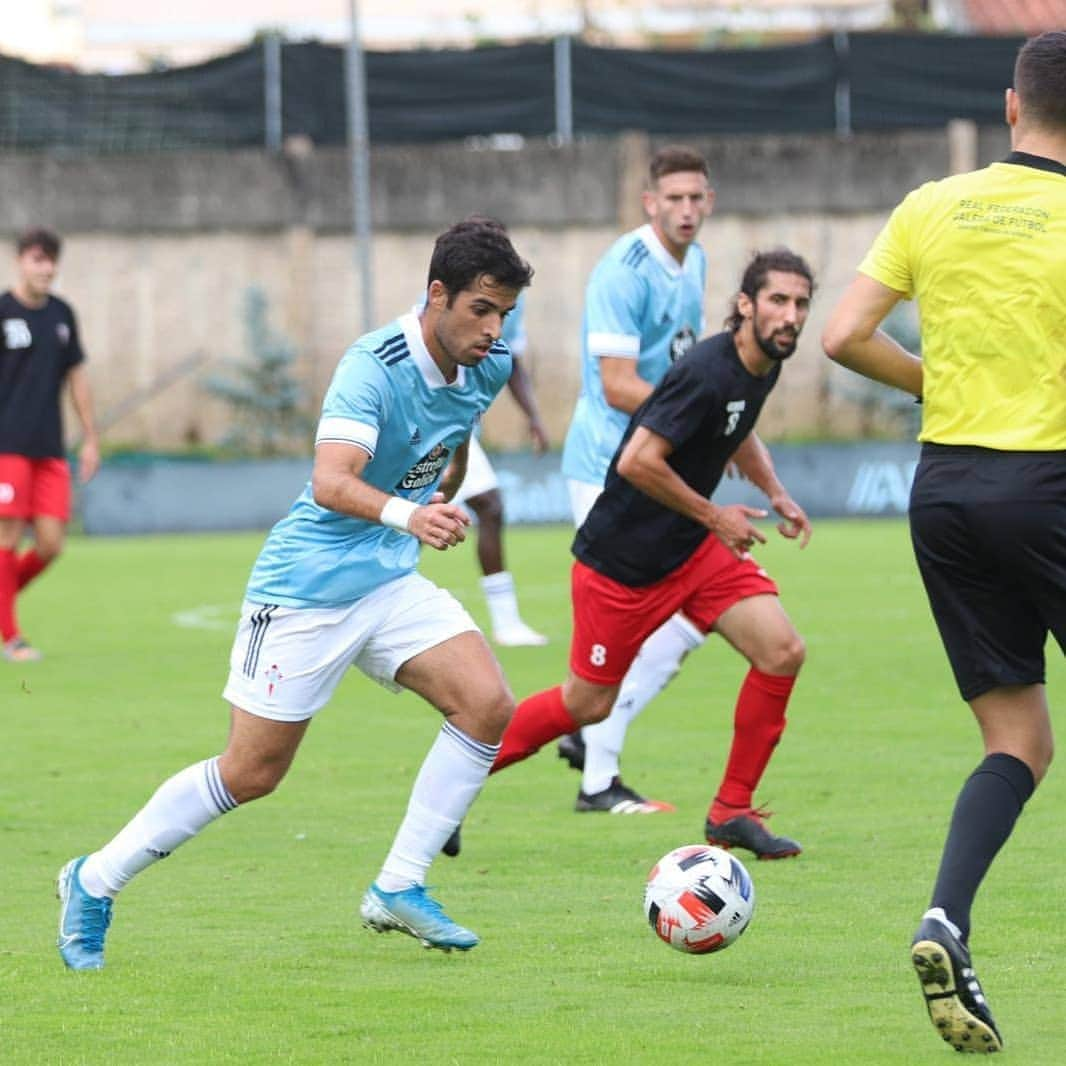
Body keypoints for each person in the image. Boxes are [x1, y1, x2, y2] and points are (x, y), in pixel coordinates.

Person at [55, 218, 534, 969]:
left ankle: (398, 885)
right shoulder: (370, 368)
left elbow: (458, 422)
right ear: (436, 295)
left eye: (504, 312)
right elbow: (330, 481)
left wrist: (445, 477)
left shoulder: (487, 365)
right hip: (306, 588)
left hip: (387, 578)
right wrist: (414, 512)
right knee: (252, 772)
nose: (494, 327)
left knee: (488, 704)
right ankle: (92, 880)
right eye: (481, 308)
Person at [822, 31, 1066, 1054]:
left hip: (946, 491)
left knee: (1016, 740)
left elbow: (840, 336)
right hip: (1051, 481)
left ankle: (945, 919)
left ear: (1010, 108)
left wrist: (941, 384)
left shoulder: (932, 204)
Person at [489, 249, 815, 859]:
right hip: (623, 565)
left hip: (690, 552)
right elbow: (639, 460)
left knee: (781, 652)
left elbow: (737, 433)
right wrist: (717, 515)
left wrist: (775, 492)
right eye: (777, 301)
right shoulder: (705, 371)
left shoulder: (762, 364)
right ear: (744, 305)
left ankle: (731, 813)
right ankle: (458, 781)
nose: (789, 315)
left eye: (799, 304)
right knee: (586, 703)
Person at [556, 144, 772, 815]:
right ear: (650, 203)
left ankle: (591, 741)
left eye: (695, 198)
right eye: (672, 199)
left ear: (709, 201)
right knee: (650, 633)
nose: (685, 210)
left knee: (686, 626)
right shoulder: (624, 271)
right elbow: (619, 386)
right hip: (610, 472)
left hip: (664, 468)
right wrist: (698, 423)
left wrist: (718, 430)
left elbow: (694, 369)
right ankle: (594, 767)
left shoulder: (696, 262)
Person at [0, 227, 99, 662]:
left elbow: (77, 377)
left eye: (53, 260)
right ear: (22, 261)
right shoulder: (2, 312)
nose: (48, 268)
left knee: (51, 544)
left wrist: (91, 437)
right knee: (7, 536)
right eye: (39, 259)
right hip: (7, 445)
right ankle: (12, 637)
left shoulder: (62, 314)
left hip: (50, 448)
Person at [452, 290, 550, 647]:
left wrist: (534, 416)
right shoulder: (446, 292)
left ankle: (507, 624)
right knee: (414, 520)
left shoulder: (514, 299)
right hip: (431, 422)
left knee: (485, 507)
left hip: (456, 426)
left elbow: (510, 361)